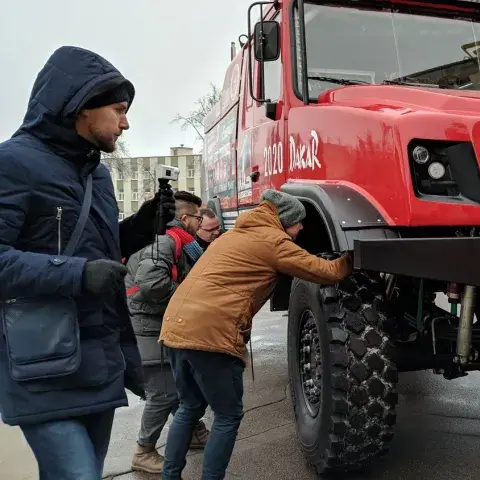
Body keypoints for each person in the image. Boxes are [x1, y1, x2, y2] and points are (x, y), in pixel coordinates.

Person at [0, 45, 175, 478]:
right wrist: (77, 275)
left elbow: (95, 251)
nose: (126, 121)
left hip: (98, 359)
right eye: (118, 109)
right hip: (41, 362)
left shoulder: (98, 173)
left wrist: (138, 227)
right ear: (80, 105)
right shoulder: (12, 163)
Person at [158, 189, 353, 480]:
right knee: (227, 415)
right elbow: (326, 270)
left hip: (175, 327)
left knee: (190, 406)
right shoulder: (273, 241)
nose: (301, 228)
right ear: (284, 220)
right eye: (298, 222)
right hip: (208, 335)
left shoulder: (233, 236)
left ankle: (169, 476)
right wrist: (355, 257)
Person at [125, 190, 211, 474]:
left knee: (178, 382)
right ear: (185, 218)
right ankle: (143, 450)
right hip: (146, 324)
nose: (201, 222)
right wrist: (187, 299)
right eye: (198, 217)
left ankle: (194, 432)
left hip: (155, 321)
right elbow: (151, 283)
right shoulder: (165, 240)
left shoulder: (177, 241)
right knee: (163, 391)